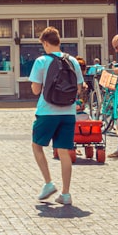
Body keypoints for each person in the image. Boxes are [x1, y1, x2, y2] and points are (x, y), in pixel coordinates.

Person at [29, 26, 84, 206]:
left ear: (45, 43)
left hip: (47, 112)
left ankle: (48, 183)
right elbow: (79, 88)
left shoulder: (41, 61)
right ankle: (66, 194)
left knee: (37, 146)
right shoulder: (73, 62)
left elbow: (36, 89)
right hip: (68, 112)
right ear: (58, 41)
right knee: (64, 152)